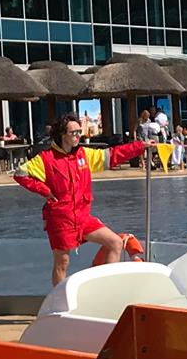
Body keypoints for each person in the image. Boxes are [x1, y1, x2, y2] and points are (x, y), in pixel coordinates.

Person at [14, 112, 147, 287]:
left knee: (115, 242)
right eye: (73, 133)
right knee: (62, 263)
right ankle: (60, 304)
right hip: (61, 219)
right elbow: (20, 173)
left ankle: (106, 290)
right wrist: (45, 190)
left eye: (79, 132)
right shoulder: (46, 159)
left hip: (83, 217)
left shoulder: (84, 154)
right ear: (62, 134)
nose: (78, 136)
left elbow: (112, 155)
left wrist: (140, 146)